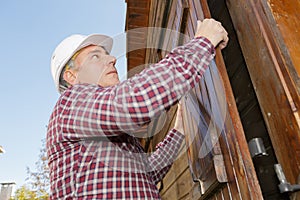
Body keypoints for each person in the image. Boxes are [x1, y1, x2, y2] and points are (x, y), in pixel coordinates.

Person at [47, 18, 228, 199]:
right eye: (96, 56)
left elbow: (146, 173)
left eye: (106, 54)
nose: (112, 59)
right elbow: (136, 99)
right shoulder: (71, 102)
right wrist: (203, 42)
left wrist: (179, 131)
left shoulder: (101, 128)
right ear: (72, 76)